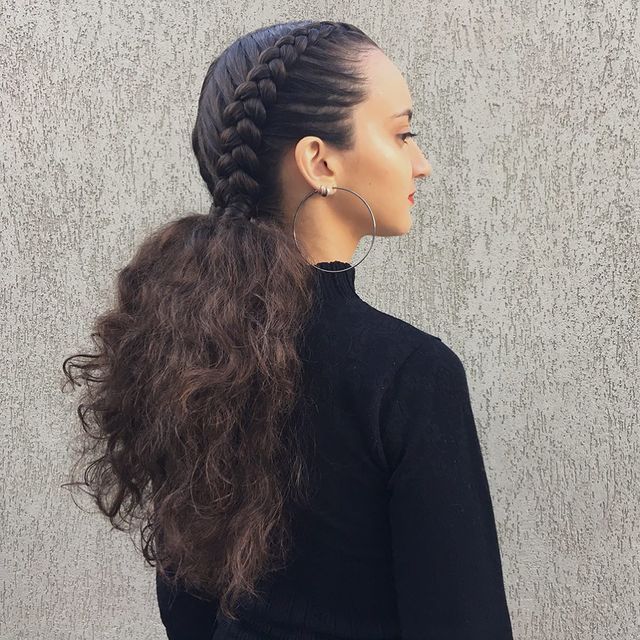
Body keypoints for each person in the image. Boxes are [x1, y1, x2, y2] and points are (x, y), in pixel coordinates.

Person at [62, 19, 513, 640]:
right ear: (319, 160)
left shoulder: (187, 355)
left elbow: (188, 614)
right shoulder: (409, 377)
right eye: (403, 134)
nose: (422, 164)